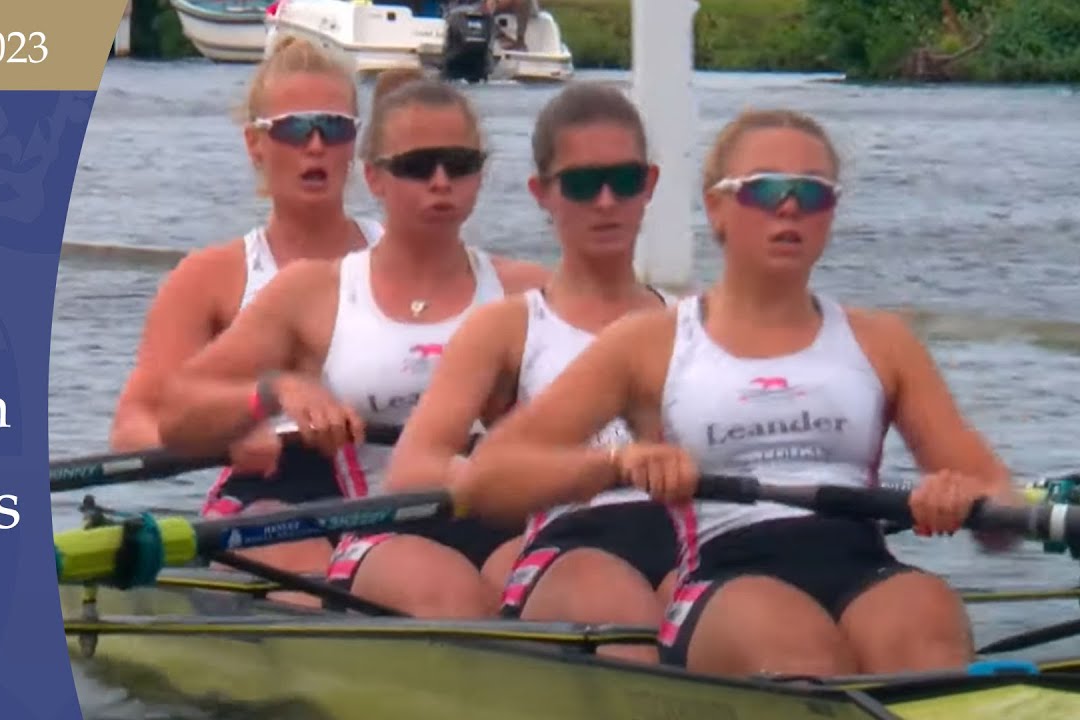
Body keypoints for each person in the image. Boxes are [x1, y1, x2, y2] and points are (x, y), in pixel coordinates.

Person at [456, 107, 1020, 677]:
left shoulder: (884, 342)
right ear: (716, 207)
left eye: (813, 192)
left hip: (861, 564)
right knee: (799, 650)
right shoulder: (649, 343)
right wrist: (616, 465)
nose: (790, 206)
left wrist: (967, 502)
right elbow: (490, 478)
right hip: (724, 578)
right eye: (764, 190)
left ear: (831, 213)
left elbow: (998, 498)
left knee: (929, 623)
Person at [156, 69, 549, 615]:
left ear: (480, 177)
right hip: (371, 527)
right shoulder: (314, 291)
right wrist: (273, 393)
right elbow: (174, 413)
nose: (440, 181)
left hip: (491, 518)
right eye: (416, 167)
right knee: (449, 595)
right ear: (375, 179)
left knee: (565, 589)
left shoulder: (526, 290)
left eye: (459, 165)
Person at [386, 82, 677, 662]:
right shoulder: (508, 328)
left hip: (682, 546)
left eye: (622, 182)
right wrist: (573, 470)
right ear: (542, 193)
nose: (604, 202)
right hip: (568, 548)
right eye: (580, 183)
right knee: (626, 614)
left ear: (649, 186)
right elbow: (411, 471)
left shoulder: (692, 324)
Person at [108, 37, 382, 581]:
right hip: (268, 495)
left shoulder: (402, 258)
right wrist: (226, 438)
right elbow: (133, 425)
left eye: (334, 128)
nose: (316, 146)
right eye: (294, 128)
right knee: (305, 562)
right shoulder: (211, 277)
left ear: (355, 143)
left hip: (392, 486)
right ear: (255, 143)